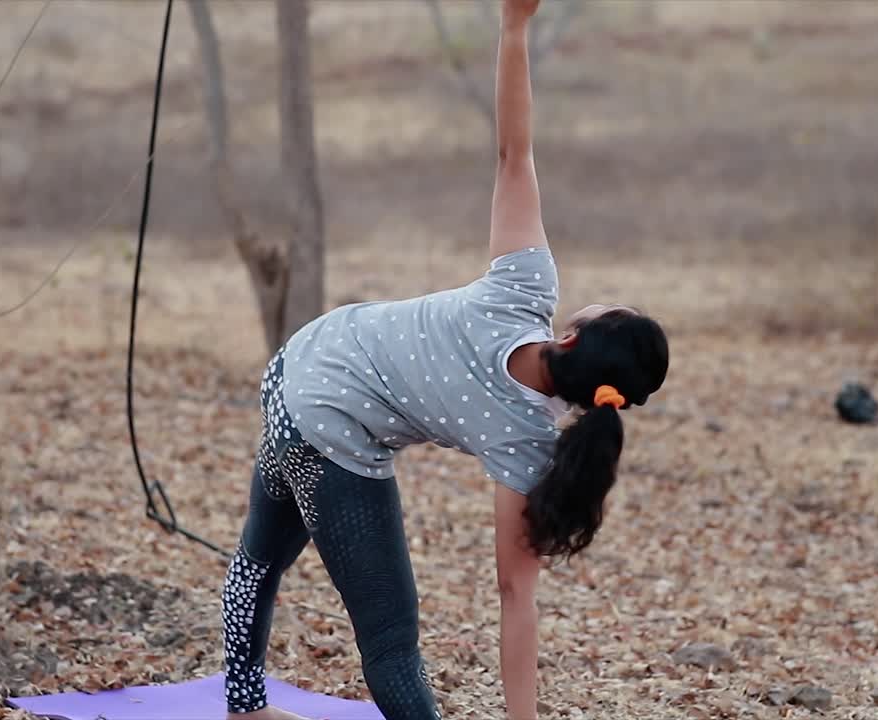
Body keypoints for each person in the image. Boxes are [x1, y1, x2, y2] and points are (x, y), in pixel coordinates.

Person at [220, 0, 669, 717]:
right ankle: (243, 704)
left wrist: (514, 27)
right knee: (390, 635)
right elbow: (516, 596)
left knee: (261, 558)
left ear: (577, 337)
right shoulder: (530, 446)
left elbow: (513, 154)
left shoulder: (526, 288)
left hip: (301, 365)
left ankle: (243, 704)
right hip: (324, 417)